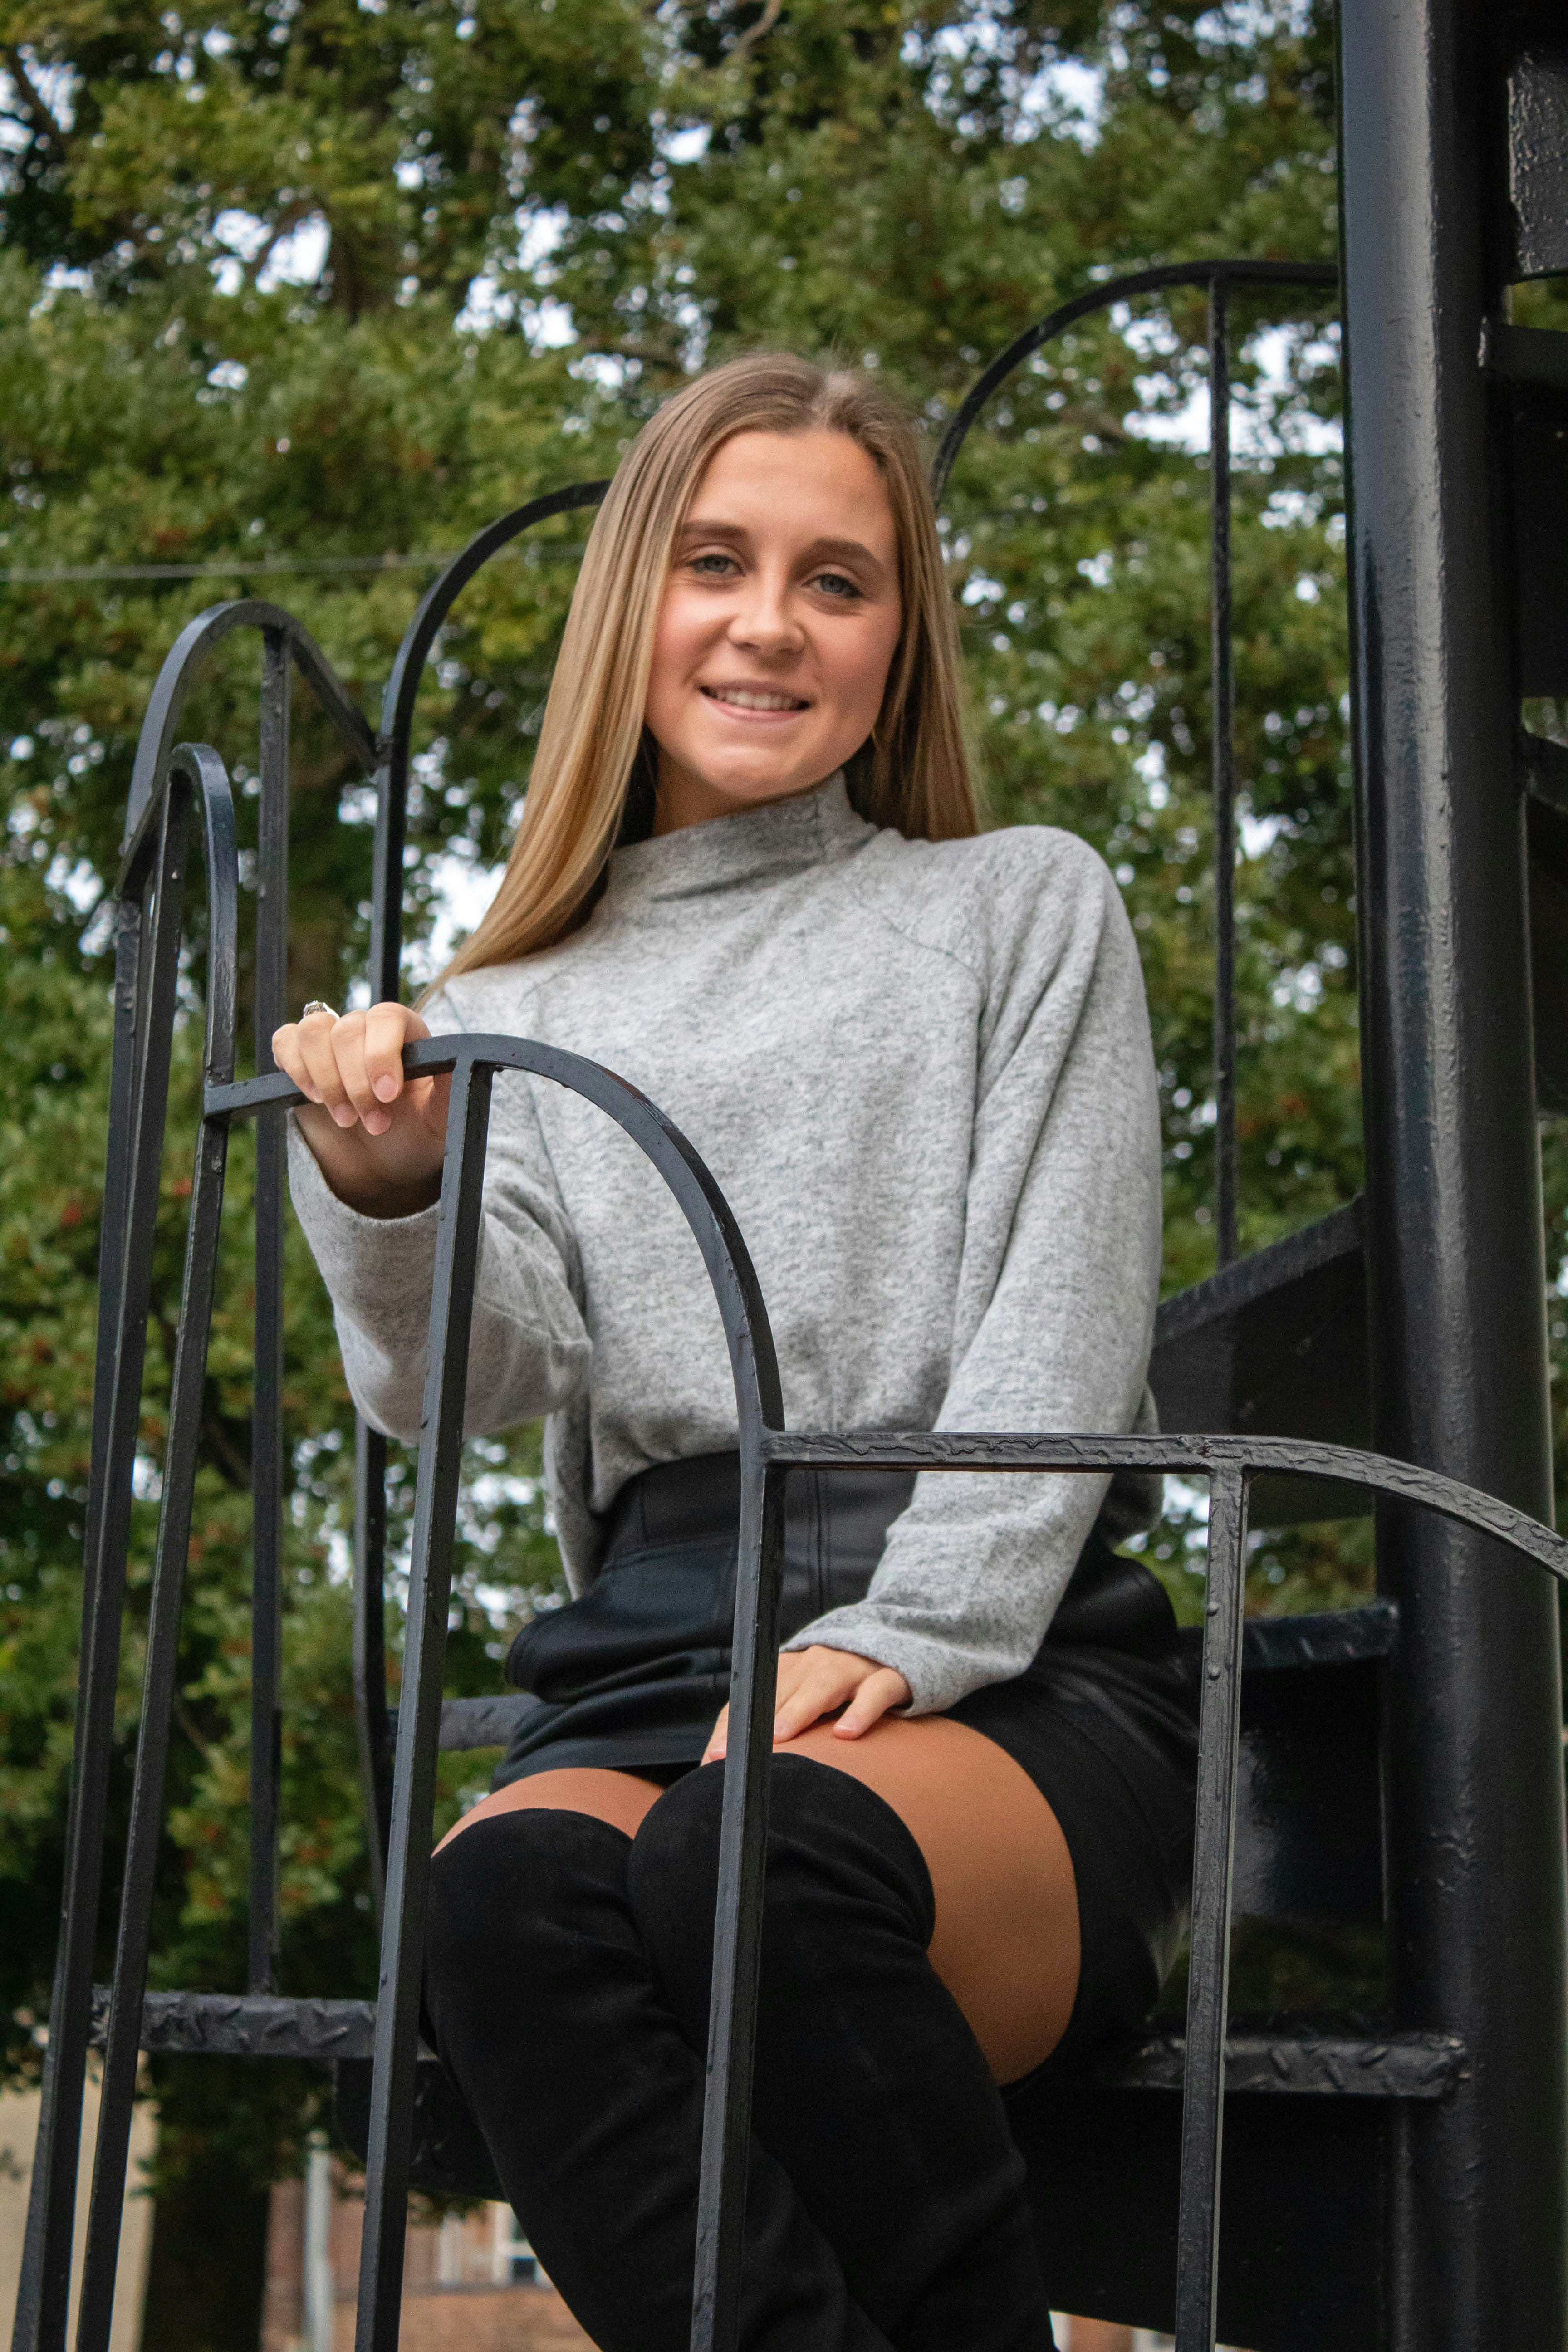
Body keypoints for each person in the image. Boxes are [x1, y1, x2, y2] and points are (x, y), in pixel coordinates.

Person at [273, 351, 1197, 2352]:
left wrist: (916, 1627)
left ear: (898, 638)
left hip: (997, 1654)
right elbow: (461, 1387)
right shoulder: (504, 994)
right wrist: (391, 1187)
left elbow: (1061, 1308)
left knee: (749, 1859)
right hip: (655, 1645)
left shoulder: (1019, 908)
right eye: (716, 561)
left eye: (837, 579)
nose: (769, 622)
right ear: (637, 603)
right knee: (504, 1911)